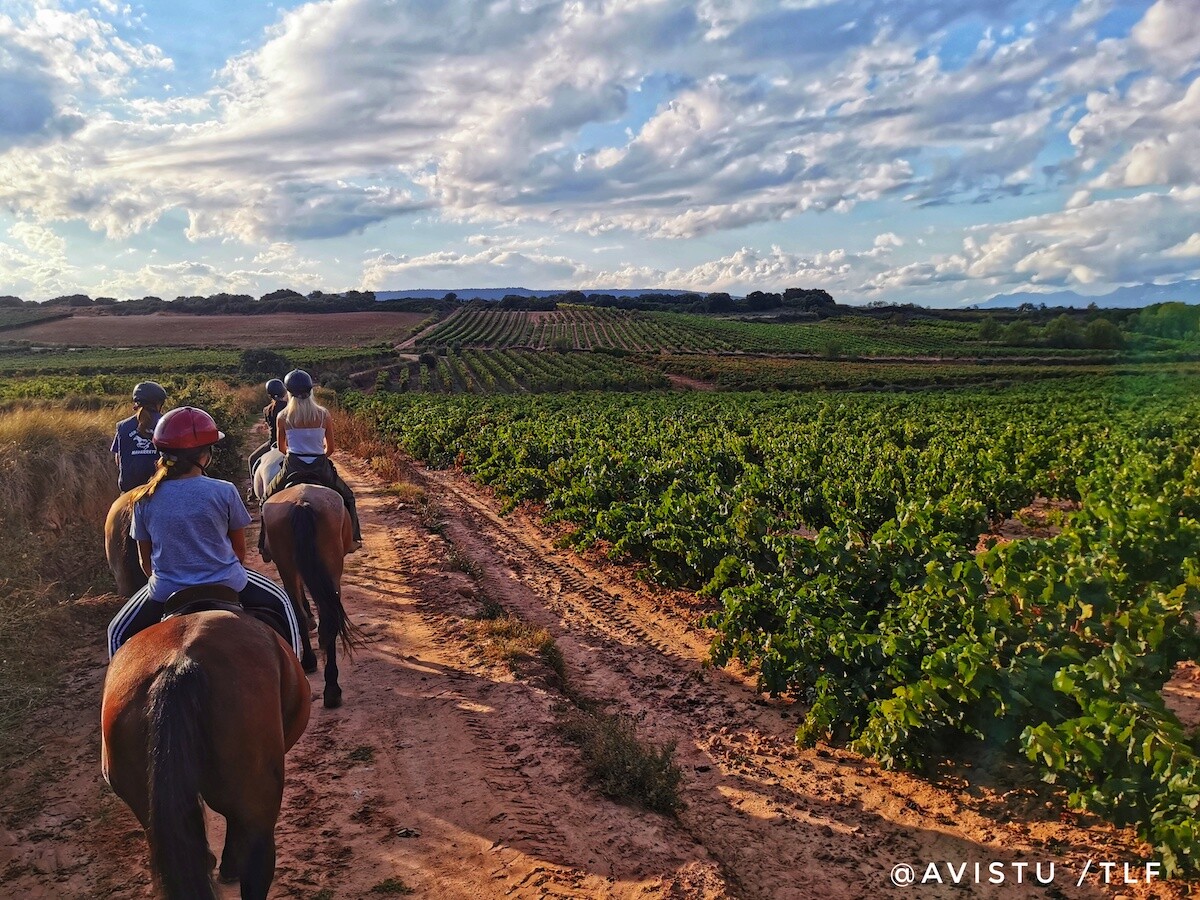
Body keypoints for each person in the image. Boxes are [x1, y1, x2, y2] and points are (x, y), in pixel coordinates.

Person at [106, 406, 302, 659]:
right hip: (227, 580)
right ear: (204, 455)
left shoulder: (143, 499)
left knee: (116, 632)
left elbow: (146, 562)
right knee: (284, 605)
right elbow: (239, 552)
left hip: (166, 588)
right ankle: (299, 683)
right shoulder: (225, 491)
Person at [260, 369, 362, 553]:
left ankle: (264, 544)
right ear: (310, 390)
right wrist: (319, 454)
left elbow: (282, 448)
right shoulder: (323, 414)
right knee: (348, 497)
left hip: (293, 465)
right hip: (320, 466)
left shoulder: (283, 417)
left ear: (288, 392)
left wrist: (294, 453)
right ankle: (354, 538)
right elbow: (330, 448)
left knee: (266, 499)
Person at [111, 381, 167, 492]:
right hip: (159, 490)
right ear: (159, 403)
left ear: (136, 403)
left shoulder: (123, 426)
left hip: (130, 493)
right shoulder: (167, 423)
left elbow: (118, 459)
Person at [246, 377, 288, 488]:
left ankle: (253, 490)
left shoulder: (267, 410)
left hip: (273, 443)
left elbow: (270, 427)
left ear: (269, 395)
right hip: (289, 443)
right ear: (284, 391)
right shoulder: (290, 408)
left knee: (252, 459)